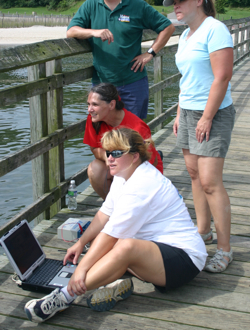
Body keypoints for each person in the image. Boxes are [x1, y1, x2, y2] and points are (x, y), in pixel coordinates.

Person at [24, 127, 207, 323]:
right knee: (114, 246)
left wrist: (81, 269)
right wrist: (81, 242)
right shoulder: (123, 175)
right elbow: (104, 215)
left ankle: (65, 296)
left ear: (135, 156)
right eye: (108, 152)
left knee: (124, 246)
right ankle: (117, 281)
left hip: (185, 260)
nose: (110, 158)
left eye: (117, 153)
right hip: (155, 251)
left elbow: (109, 235)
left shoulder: (141, 184)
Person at [163, 0, 235, 272]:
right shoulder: (186, 35)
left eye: (181, 1)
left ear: (198, 1)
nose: (175, 7)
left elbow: (223, 77)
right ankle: (202, 230)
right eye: (174, 2)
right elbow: (186, 81)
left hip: (213, 113)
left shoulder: (215, 29)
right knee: (193, 174)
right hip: (190, 112)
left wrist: (206, 117)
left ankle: (225, 249)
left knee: (209, 181)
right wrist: (181, 113)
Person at [67, 0, 175, 119]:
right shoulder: (91, 4)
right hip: (101, 85)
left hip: (133, 82)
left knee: (132, 135)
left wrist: (150, 53)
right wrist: (94, 32)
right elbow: (71, 31)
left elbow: (167, 27)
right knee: (102, 136)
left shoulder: (138, 6)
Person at [84, 83, 163, 199]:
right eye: (88, 104)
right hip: (117, 165)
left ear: (111, 104)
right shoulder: (93, 120)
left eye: (95, 104)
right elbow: (94, 148)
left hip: (141, 171)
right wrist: (108, 158)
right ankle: (112, 205)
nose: (89, 109)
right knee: (94, 168)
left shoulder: (137, 127)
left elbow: (148, 164)